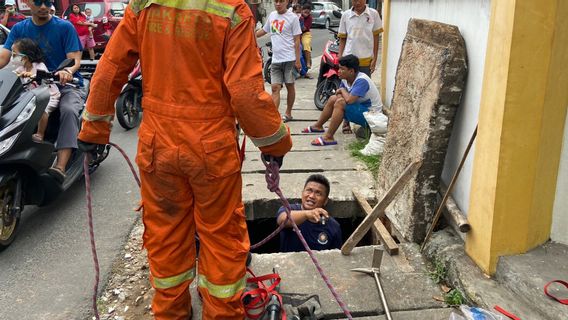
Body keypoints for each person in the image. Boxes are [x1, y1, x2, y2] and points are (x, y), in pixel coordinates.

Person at [76, 0, 292, 318]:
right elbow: (246, 92)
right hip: (212, 150)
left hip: (157, 146)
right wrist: (274, 143)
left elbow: (111, 66)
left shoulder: (143, 5)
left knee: (165, 238)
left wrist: (93, 128)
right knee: (221, 240)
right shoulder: (231, 10)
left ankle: (171, 313)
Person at [0, 0, 84, 182]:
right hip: (30, 86)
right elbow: (4, 57)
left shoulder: (64, 27)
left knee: (69, 110)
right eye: (38, 1)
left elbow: (74, 59)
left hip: (63, 86)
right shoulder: (18, 29)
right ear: (28, 3)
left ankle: (60, 166)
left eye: (47, 1)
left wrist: (67, 71)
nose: (44, 6)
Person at [301, 54, 382, 146]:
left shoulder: (361, 81)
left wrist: (342, 91)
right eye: (339, 68)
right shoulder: (345, 79)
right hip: (361, 110)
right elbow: (339, 96)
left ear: (351, 71)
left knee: (340, 102)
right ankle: (318, 126)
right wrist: (345, 120)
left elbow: (349, 100)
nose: (339, 71)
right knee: (333, 99)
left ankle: (328, 137)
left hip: (372, 117)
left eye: (342, 69)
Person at [256, 0, 302, 123]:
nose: (278, 4)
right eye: (276, 1)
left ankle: (288, 113)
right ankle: (274, 116)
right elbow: (264, 31)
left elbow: (297, 40)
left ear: (287, 2)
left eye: (281, 1)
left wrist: (298, 60)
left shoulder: (293, 18)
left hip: (289, 59)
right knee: (275, 87)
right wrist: (250, 34)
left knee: (289, 85)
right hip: (275, 60)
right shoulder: (272, 16)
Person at [11, 38, 61, 142]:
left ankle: (40, 134)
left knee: (42, 110)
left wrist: (32, 75)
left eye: (14, 55)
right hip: (32, 96)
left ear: (25, 57)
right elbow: (13, 75)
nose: (12, 57)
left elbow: (41, 76)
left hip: (49, 96)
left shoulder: (39, 66)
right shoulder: (22, 68)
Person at [276, 174, 342, 252]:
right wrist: (307, 214)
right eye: (309, 190)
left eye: (318, 193)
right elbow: (282, 219)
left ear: (325, 201)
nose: (311, 196)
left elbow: (336, 256)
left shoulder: (333, 227)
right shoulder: (289, 209)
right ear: (302, 193)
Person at [300, 4, 312, 71]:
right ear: (302, 10)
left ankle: (308, 62)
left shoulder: (309, 18)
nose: (306, 14)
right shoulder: (298, 15)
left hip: (305, 34)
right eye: (305, 12)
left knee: (306, 44)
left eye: (308, 12)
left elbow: (304, 29)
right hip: (296, 34)